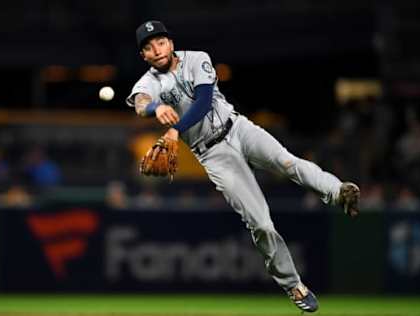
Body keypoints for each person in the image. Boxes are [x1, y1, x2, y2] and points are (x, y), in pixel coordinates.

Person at [126, 20, 360, 313]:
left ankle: (338, 192)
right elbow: (140, 102)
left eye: (160, 42)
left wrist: (174, 130)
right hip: (212, 154)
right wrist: (153, 107)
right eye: (148, 47)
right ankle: (293, 285)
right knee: (260, 223)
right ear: (143, 56)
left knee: (287, 161)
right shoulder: (149, 81)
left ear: (170, 43)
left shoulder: (197, 58)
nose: (156, 49)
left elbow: (203, 102)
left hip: (237, 128)